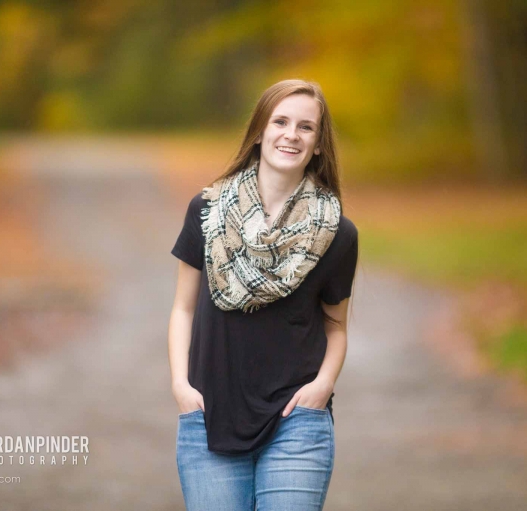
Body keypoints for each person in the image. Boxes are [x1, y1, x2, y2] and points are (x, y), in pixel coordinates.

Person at [168, 78, 359, 511]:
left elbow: (336, 325)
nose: (291, 134)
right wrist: (182, 386)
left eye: (306, 127)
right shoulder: (206, 212)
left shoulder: (338, 233)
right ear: (260, 131)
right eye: (281, 121)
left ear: (319, 145)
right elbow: (183, 309)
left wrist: (322, 387)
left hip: (298, 424)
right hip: (209, 416)